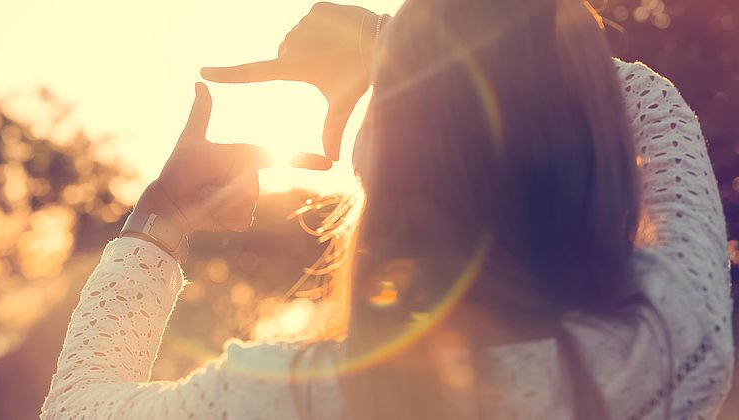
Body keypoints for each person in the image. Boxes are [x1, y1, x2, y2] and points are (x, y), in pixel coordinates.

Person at [41, 0, 734, 418]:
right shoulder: (673, 347)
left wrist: (161, 219)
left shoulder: (292, 401)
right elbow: (650, 106)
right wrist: (411, 53)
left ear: (381, 158)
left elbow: (75, 409)